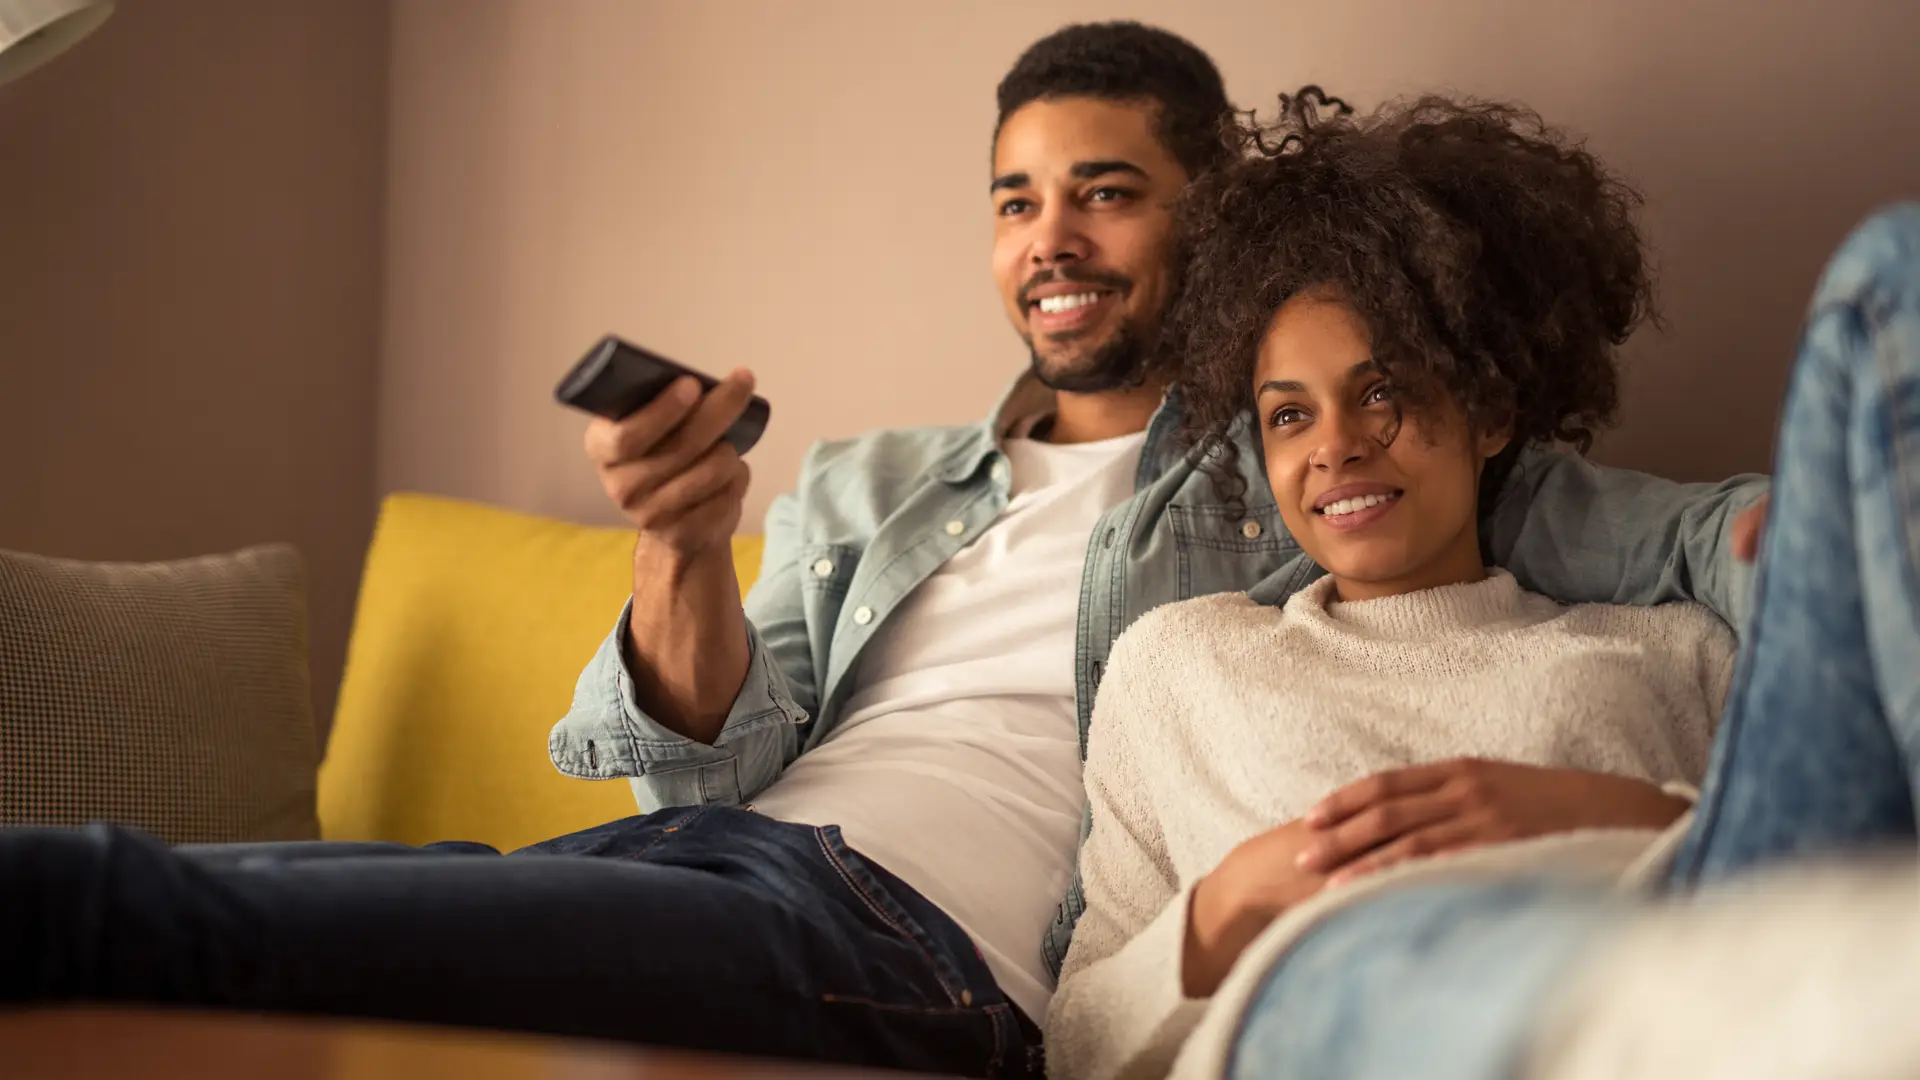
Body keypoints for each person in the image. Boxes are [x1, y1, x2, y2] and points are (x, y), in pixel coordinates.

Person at [0, 23, 1763, 1079]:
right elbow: (702, 752)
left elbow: (1698, 550)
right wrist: (683, 549)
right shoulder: (875, 484)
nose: (1049, 238)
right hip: (724, 867)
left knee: (122, 904)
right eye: (1015, 199)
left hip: (917, 955)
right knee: (208, 906)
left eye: (1107, 189)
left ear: (1211, 208)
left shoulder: (1310, 454)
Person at [1048, 91, 1920, 1080]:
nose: (1333, 446)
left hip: (1683, 929)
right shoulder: (1177, 662)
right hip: (1354, 977)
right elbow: (1074, 1041)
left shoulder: (1674, 646)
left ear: (1491, 411)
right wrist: (1226, 905)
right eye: (1288, 417)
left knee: (1895, 274)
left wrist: (1598, 812)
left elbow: (1773, 863)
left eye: (1382, 392)